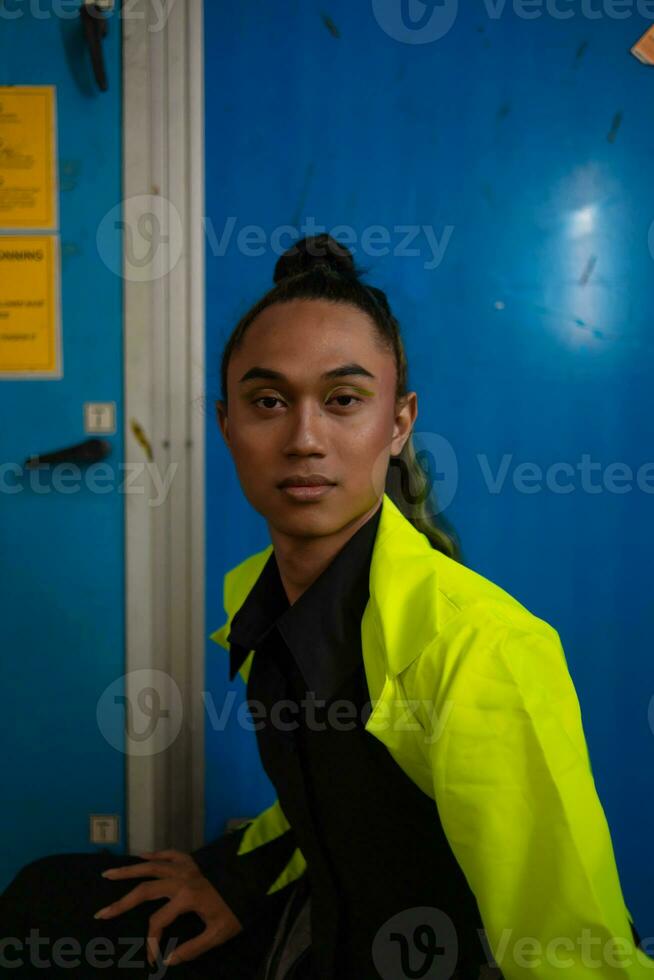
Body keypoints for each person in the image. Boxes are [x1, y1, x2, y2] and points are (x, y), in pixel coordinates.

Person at [1, 234, 648, 980]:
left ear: (399, 423)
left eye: (343, 400)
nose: (305, 439)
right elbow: (333, 789)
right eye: (268, 401)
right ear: (225, 425)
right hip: (328, 924)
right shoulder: (253, 592)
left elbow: (575, 955)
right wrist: (234, 877)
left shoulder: (481, 646)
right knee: (44, 902)